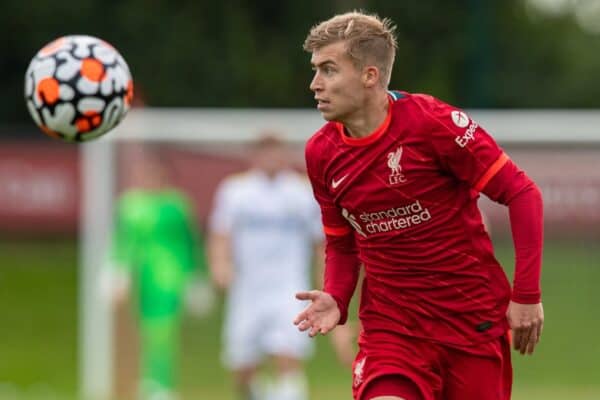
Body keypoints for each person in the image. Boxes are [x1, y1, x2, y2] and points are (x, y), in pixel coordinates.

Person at [293, 11, 544, 400]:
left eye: (328, 70)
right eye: (315, 70)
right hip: (393, 332)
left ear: (369, 75)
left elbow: (523, 193)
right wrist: (337, 297)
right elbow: (342, 243)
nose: (315, 84)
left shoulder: (433, 125)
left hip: (470, 323)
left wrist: (525, 296)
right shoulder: (321, 153)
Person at [208, 134, 355, 400]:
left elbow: (321, 241)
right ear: (254, 155)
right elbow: (221, 233)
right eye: (264, 152)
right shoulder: (235, 190)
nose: (271, 158)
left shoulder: (300, 192)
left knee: (287, 355)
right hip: (247, 287)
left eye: (276, 152)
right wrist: (220, 265)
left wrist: (328, 282)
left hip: (289, 287)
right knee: (243, 365)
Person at [108, 145, 211, 400]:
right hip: (140, 278)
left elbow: (190, 243)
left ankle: (161, 385)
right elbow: (122, 242)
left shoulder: (176, 205)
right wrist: (117, 270)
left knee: (162, 331)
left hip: (169, 277)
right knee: (144, 331)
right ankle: (150, 381)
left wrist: (196, 277)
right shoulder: (129, 204)